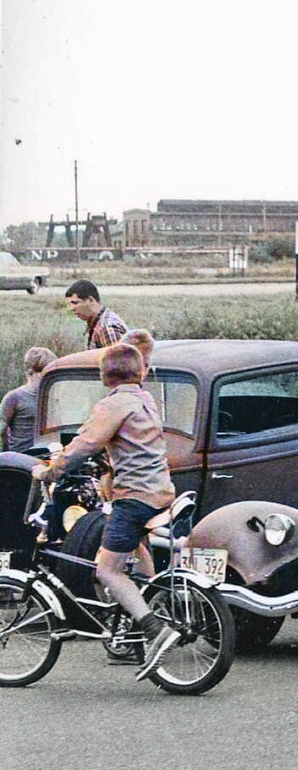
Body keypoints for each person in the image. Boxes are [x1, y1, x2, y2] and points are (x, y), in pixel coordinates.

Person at [31, 343, 182, 680]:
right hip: (160, 492)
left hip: (134, 498)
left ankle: (154, 628)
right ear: (140, 372)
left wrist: (50, 470)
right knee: (137, 548)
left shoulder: (113, 404)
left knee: (107, 570)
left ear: (103, 376)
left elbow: (84, 443)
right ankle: (146, 606)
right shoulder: (146, 399)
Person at [2, 346, 57, 453]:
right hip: (21, 455)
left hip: (47, 453)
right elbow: (2, 427)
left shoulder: (53, 397)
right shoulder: (14, 397)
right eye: (45, 375)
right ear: (30, 374)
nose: (49, 379)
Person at [65, 279, 128, 350]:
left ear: (91, 300)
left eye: (75, 303)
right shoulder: (97, 321)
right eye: (69, 304)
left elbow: (117, 359)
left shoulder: (106, 328)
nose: (71, 308)